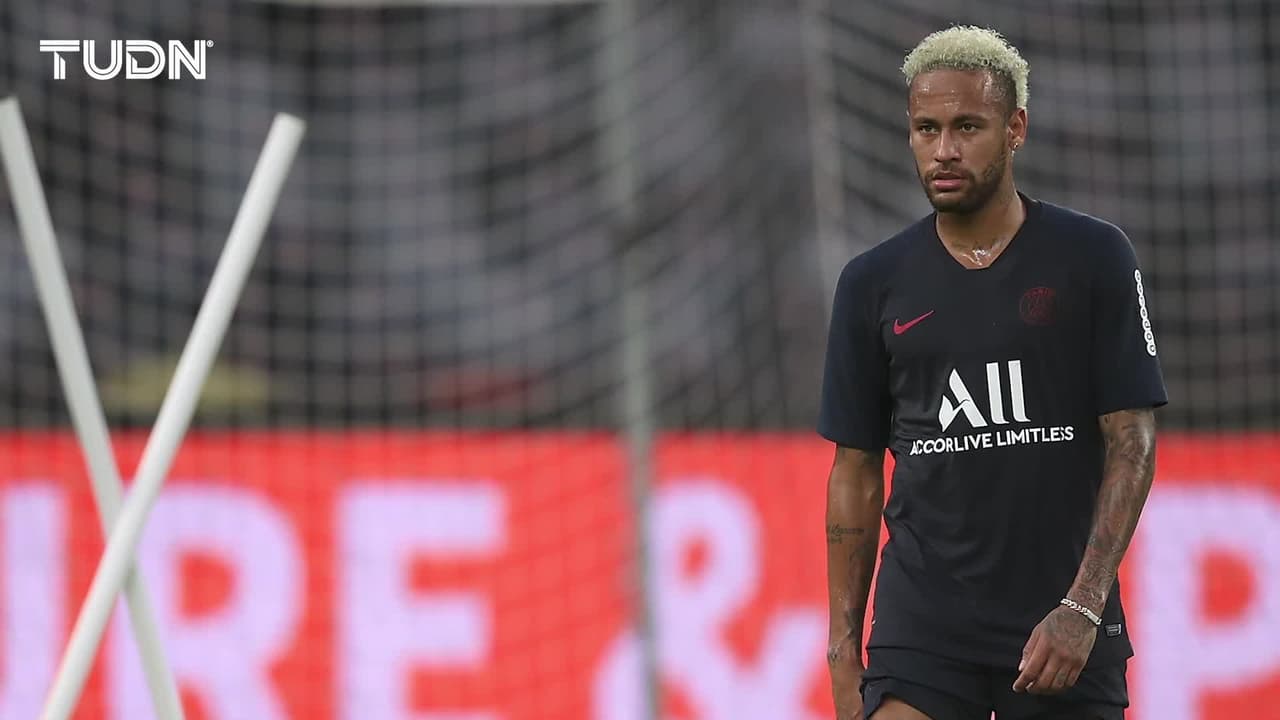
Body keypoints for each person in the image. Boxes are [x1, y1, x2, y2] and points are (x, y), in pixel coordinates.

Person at [818, 25, 1167, 720]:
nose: (943, 149)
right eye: (927, 128)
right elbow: (854, 470)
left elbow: (1131, 441)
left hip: (1060, 621)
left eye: (967, 127)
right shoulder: (871, 283)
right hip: (923, 624)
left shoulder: (1094, 257)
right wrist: (842, 648)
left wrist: (1083, 605)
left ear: (1015, 129)